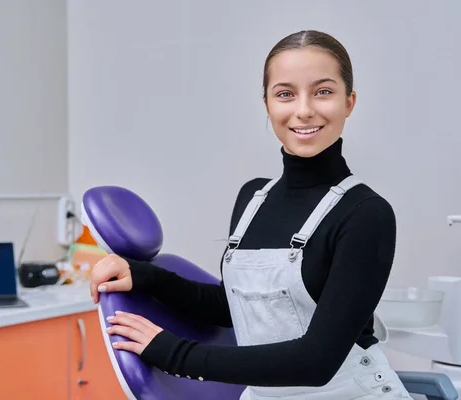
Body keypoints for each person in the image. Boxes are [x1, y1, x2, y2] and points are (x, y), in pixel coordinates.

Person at [90, 30, 413, 399]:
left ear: (349, 102)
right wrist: (143, 275)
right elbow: (237, 309)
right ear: (267, 104)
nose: (303, 110)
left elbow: (316, 361)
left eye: (323, 91)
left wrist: (173, 353)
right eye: (285, 94)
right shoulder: (253, 198)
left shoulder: (366, 214)